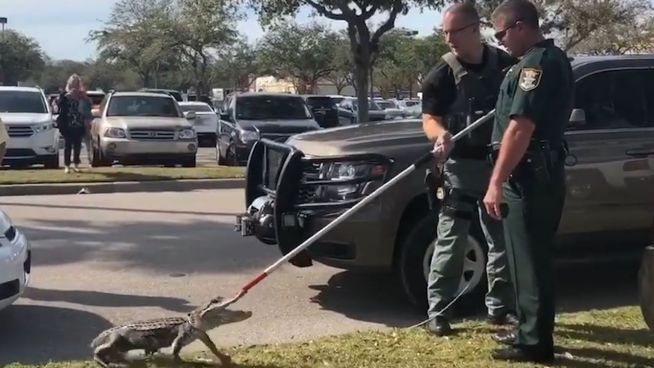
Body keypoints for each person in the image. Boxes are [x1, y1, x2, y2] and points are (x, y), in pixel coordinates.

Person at [482, 0, 574, 363]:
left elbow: (520, 128)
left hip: (529, 176)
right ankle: (528, 333)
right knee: (528, 259)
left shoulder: (536, 64)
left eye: (502, 33)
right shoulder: (547, 59)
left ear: (520, 26)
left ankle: (535, 343)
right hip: (536, 173)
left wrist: (496, 181)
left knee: (531, 261)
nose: (500, 40)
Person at [421, 2, 518, 336]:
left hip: (498, 165)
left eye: (454, 32)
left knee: (502, 240)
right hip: (462, 167)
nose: (448, 39)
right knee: (452, 240)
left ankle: (500, 309)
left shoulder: (507, 65)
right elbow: (430, 117)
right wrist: (440, 135)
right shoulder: (442, 73)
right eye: (444, 33)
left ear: (475, 29)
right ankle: (439, 311)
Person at [56, 74, 92, 173]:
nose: (75, 85)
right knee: (68, 145)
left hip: (79, 124)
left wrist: (84, 96)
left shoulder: (81, 95)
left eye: (77, 83)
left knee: (77, 145)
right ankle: (67, 166)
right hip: (67, 124)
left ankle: (76, 164)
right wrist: (66, 96)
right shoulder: (64, 95)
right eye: (73, 83)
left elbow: (89, 106)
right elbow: (59, 106)